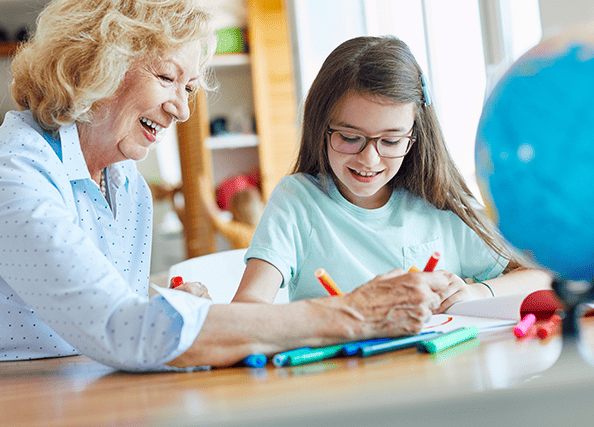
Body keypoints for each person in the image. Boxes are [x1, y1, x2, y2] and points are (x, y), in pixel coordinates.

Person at [0, 0, 455, 371]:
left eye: (191, 88)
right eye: (169, 79)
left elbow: (92, 307)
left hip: (53, 389)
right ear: (99, 59)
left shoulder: (126, 187)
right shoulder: (11, 170)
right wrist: (352, 315)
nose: (183, 109)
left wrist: (162, 304)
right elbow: (124, 333)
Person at [232, 36, 551, 309]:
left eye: (391, 140)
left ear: (415, 136)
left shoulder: (438, 204)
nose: (369, 159)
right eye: (349, 137)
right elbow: (247, 307)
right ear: (320, 127)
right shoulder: (298, 202)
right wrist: (342, 313)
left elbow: (541, 274)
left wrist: (477, 291)